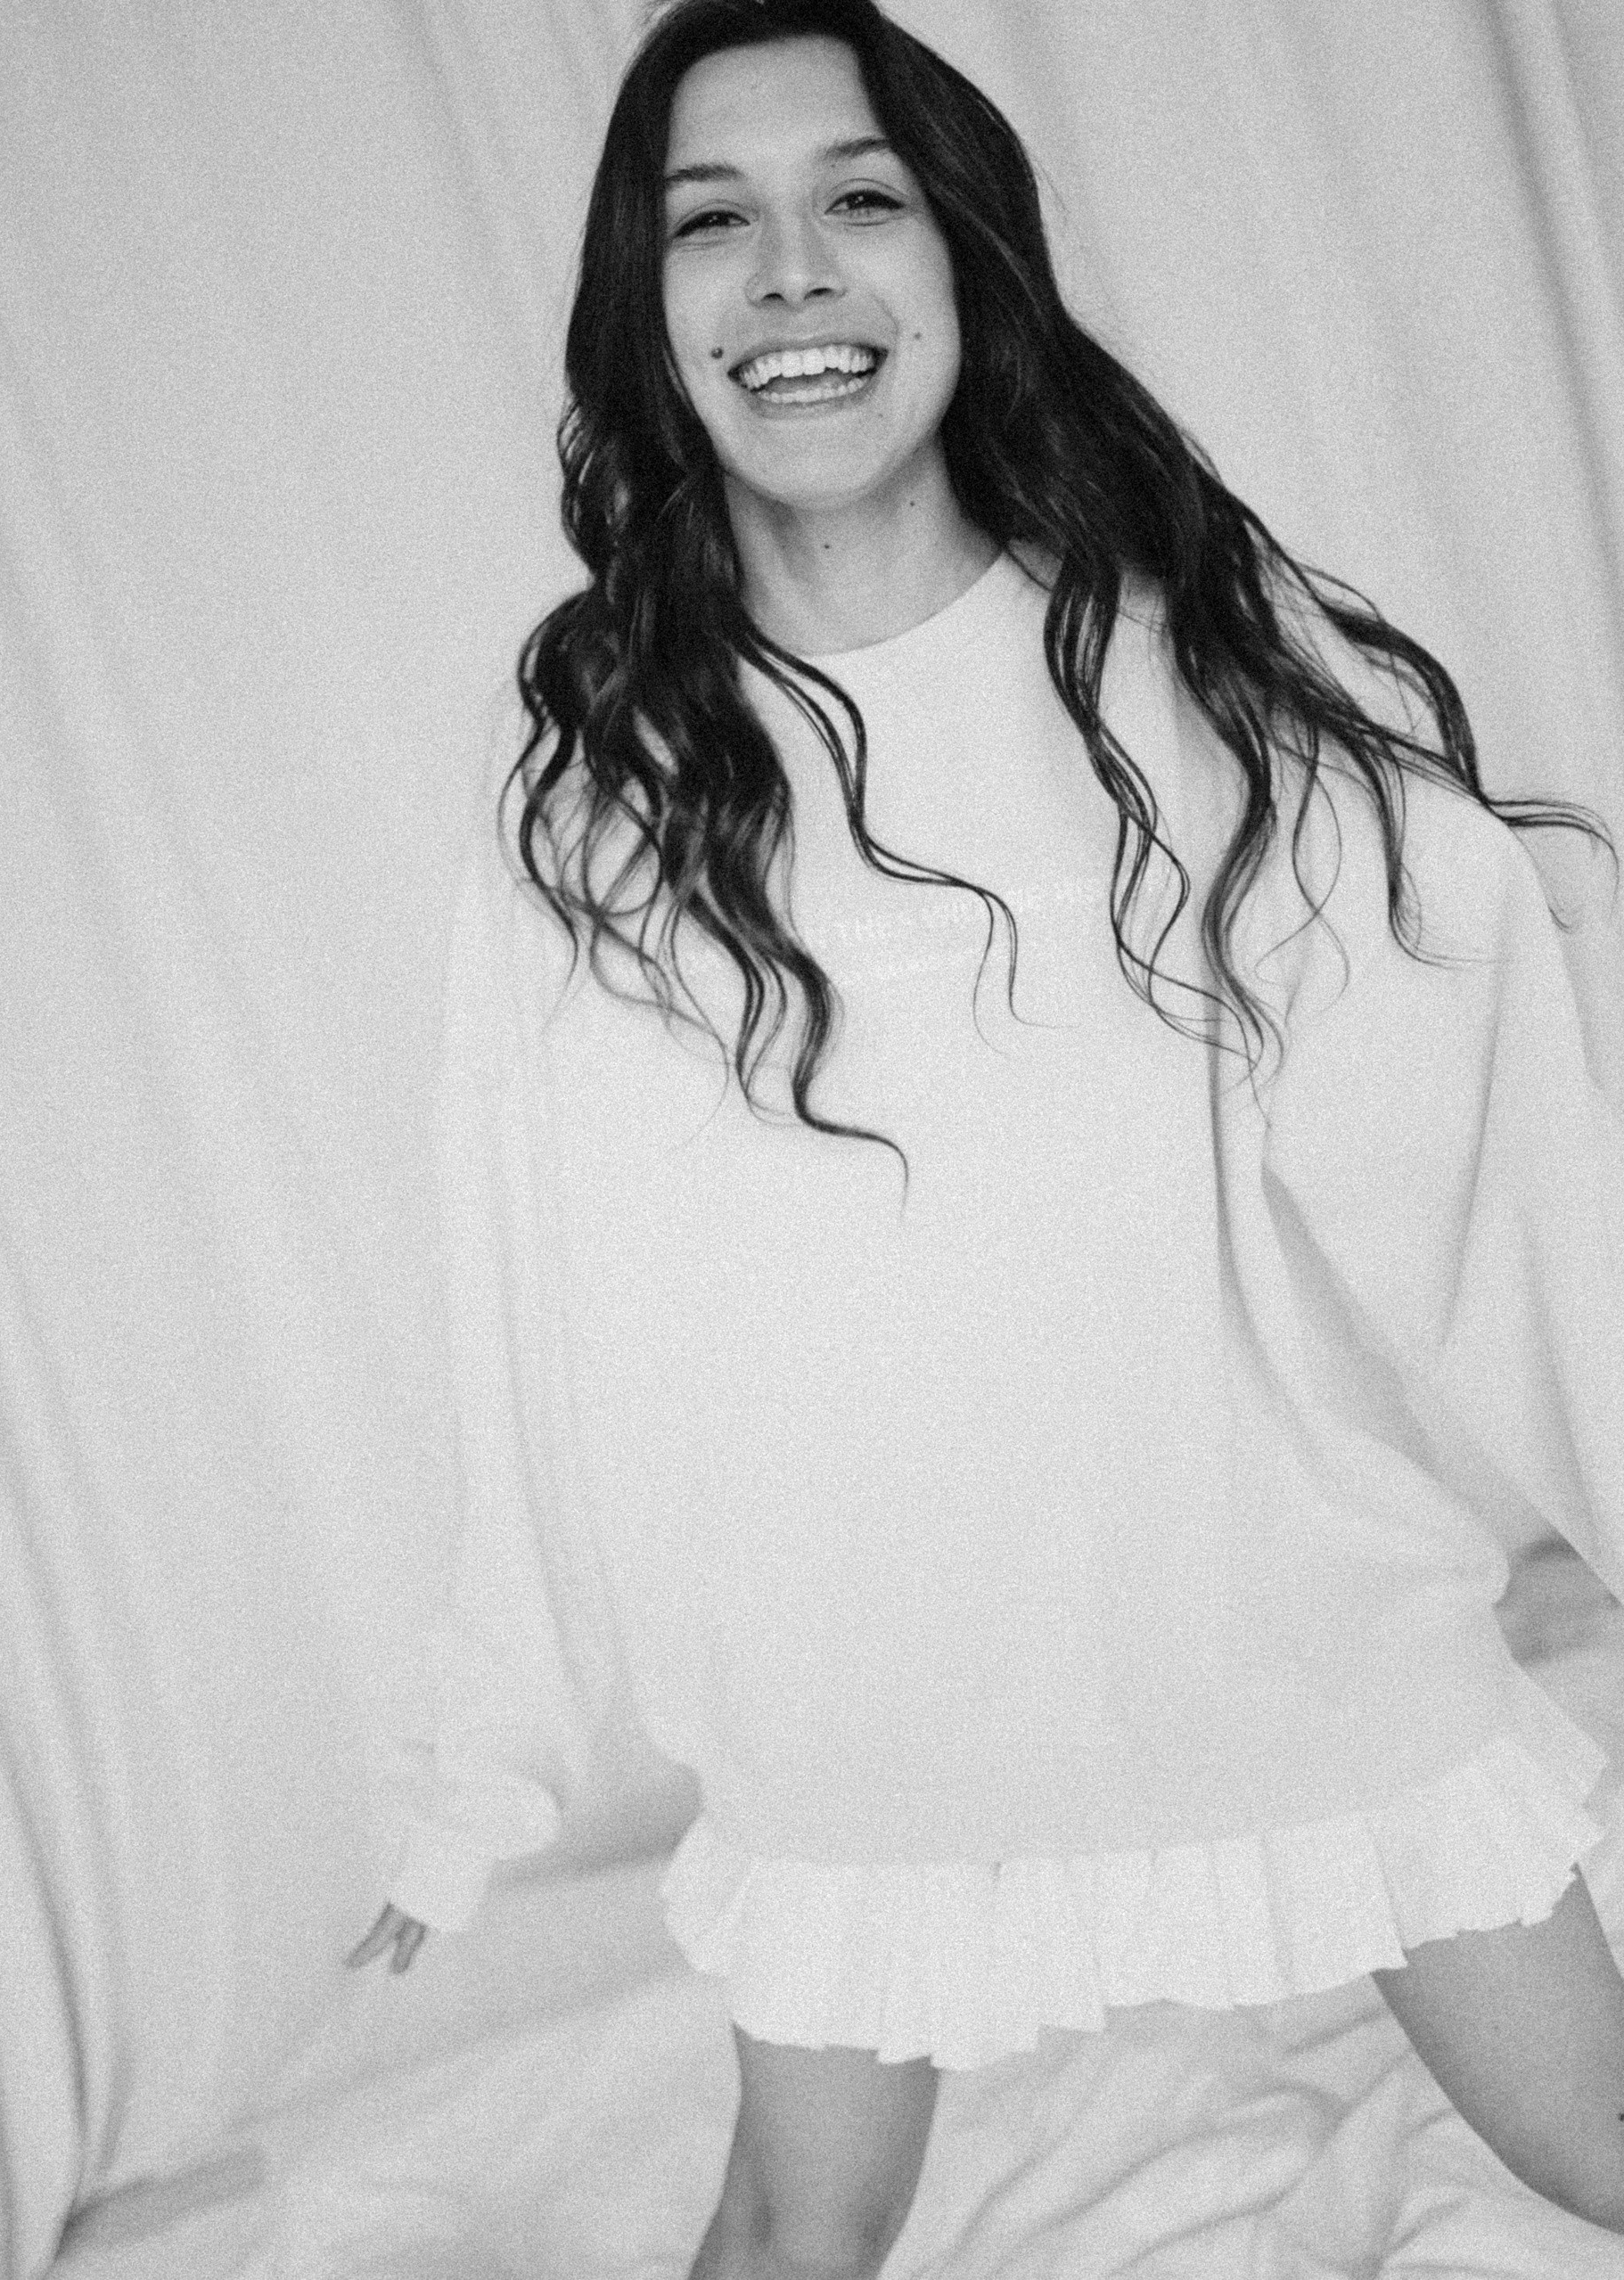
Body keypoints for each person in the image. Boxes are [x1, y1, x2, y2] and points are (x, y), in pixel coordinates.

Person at [349, 1, 1624, 2272]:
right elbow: (520, 1279)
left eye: (859, 197)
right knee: (793, 2232)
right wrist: (481, 1774)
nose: (793, 271)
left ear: (964, 258)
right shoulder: (600, 784)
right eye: (711, 220)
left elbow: (1501, 1159)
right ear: (648, 309)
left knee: (1604, 2139)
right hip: (866, 1708)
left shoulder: (1190, 682)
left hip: (1284, 1630)